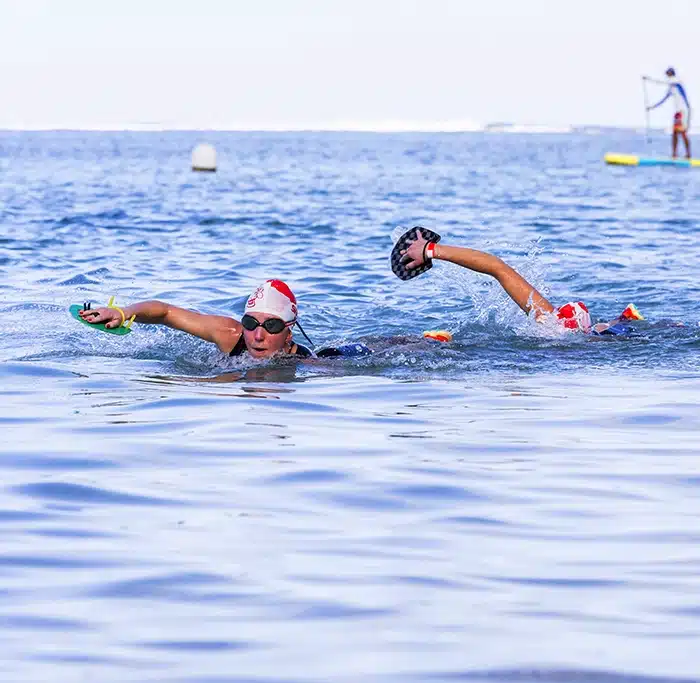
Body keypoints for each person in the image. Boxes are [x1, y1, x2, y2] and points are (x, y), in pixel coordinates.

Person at [399, 230, 643, 335]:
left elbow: (496, 267)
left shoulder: (554, 327)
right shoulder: (565, 332)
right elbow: (497, 267)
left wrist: (431, 250)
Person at [78, 279, 314, 359]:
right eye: (250, 323)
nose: (258, 336)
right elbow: (166, 313)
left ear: (288, 334)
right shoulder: (230, 335)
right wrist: (122, 312)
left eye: (271, 326)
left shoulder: (304, 363)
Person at [645, 67, 692, 159]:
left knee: (682, 133)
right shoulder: (671, 88)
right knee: (674, 133)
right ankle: (674, 154)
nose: (667, 76)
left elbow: (661, 82)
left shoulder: (678, 82)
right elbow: (664, 99)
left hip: (684, 110)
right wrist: (652, 107)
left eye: (668, 74)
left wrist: (648, 79)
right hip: (677, 112)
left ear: (672, 74)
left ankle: (688, 154)